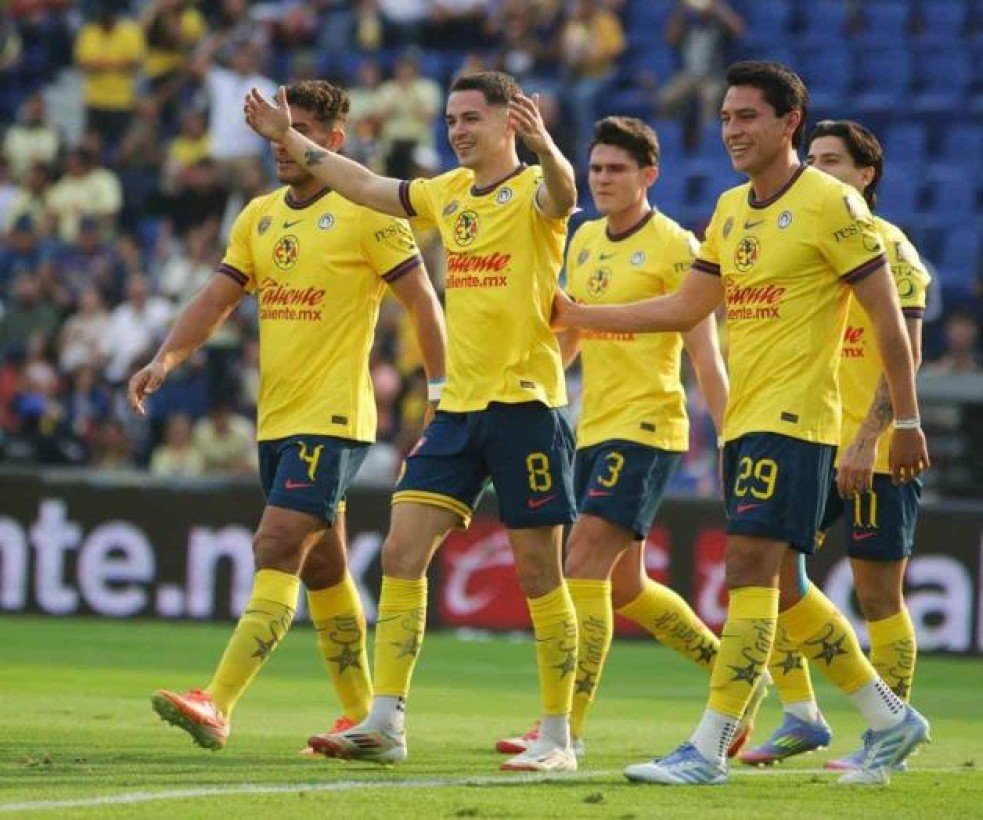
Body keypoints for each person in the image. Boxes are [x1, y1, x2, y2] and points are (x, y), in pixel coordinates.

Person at [552, 61, 931, 786]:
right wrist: (581, 314)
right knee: (781, 583)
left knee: (750, 573)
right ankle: (889, 718)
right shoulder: (729, 209)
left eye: (747, 116)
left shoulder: (830, 204)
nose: (731, 130)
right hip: (749, 420)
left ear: (789, 122)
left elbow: (888, 316)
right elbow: (684, 308)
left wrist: (904, 420)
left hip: (798, 418)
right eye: (726, 117)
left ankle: (707, 747)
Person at [245, 69, 581, 772]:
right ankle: (385, 722)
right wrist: (290, 140)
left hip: (526, 407)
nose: (457, 130)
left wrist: (547, 148)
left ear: (509, 122)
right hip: (458, 408)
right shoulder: (446, 192)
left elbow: (564, 194)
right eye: (451, 119)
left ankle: (557, 736)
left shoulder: (533, 190)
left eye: (471, 118)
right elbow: (366, 185)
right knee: (401, 553)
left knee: (538, 572)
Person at [130, 80, 447, 752]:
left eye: (297, 128)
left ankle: (217, 701)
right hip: (276, 421)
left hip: (334, 419)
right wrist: (165, 358)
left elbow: (423, 301)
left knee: (274, 546)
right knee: (324, 570)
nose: (280, 140)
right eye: (277, 127)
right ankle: (366, 720)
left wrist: (439, 389)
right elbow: (216, 299)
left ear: (334, 141)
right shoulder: (259, 216)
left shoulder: (367, 212)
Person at [495, 115, 763, 761]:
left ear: (649, 175)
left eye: (617, 169)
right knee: (625, 589)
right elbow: (573, 335)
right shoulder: (584, 238)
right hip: (592, 427)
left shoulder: (675, 245)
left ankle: (563, 729)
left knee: (582, 560)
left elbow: (704, 353)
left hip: (647, 427)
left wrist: (731, 438)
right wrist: (529, 388)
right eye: (596, 169)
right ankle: (736, 679)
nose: (603, 179)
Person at [740, 119, 932, 770]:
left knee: (877, 595)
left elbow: (904, 350)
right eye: (813, 158)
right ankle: (801, 715)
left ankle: (887, 736)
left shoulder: (890, 249)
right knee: (769, 574)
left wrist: (872, 435)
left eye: (832, 161)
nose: (817, 170)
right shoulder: (808, 240)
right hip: (811, 438)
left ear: (864, 175)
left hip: (871, 451)